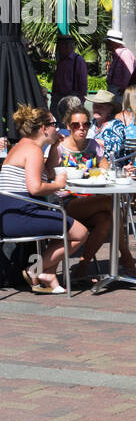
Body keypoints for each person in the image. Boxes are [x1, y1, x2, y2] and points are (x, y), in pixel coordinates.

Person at [0, 104, 86, 292]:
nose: (58, 128)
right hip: (21, 216)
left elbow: (47, 173)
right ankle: (34, 271)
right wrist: (59, 185)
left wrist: (54, 147)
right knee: (80, 232)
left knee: (62, 229)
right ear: (44, 128)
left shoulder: (23, 146)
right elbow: (36, 187)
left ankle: (47, 273)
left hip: (12, 214)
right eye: (54, 124)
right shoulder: (33, 150)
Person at [47, 106, 136, 280]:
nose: (81, 129)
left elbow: (107, 171)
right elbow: (49, 174)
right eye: (76, 125)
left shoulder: (93, 145)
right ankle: (126, 255)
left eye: (86, 124)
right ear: (68, 126)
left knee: (105, 219)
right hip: (65, 202)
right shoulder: (59, 147)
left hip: (89, 201)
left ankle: (82, 267)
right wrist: (53, 146)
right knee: (110, 203)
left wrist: (122, 171)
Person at [50, 35, 87, 113]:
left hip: (72, 97)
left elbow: (83, 81)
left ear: (67, 46)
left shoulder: (78, 60)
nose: (58, 48)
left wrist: (81, 100)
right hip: (58, 97)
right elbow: (56, 79)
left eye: (60, 45)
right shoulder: (61, 60)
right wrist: (53, 95)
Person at [90, 90, 126, 163]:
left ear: (110, 109)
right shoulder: (91, 123)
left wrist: (90, 142)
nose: (96, 109)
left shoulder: (116, 125)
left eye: (101, 106)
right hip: (91, 164)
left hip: (111, 165)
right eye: (95, 105)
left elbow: (115, 148)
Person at [105, 30, 135, 95]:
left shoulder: (125, 54)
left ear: (113, 42)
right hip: (116, 90)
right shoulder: (117, 54)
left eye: (107, 41)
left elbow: (129, 74)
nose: (106, 44)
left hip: (120, 91)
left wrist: (124, 88)